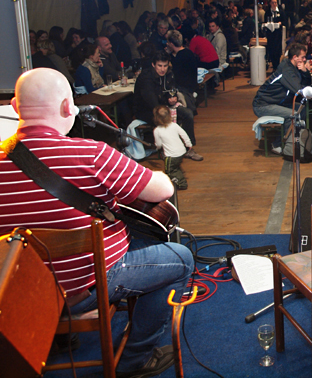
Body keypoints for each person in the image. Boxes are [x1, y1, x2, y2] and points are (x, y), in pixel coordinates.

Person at [0, 68, 194, 378]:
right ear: (68, 108)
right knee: (180, 257)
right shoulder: (90, 154)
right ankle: (136, 359)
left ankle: (61, 336)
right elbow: (163, 190)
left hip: (23, 290)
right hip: (85, 287)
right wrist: (156, 174)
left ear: (14, 107)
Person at [134, 54, 203, 161]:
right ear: (153, 65)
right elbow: (151, 101)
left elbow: (171, 91)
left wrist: (172, 99)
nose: (162, 69)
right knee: (165, 120)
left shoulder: (169, 74)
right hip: (147, 110)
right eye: (159, 66)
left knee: (188, 113)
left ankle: (188, 148)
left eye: (165, 66)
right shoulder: (146, 78)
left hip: (164, 106)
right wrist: (166, 110)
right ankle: (167, 150)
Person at [252, 43, 312, 154]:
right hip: (263, 105)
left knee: (302, 108)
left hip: (277, 102)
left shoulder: (292, 67)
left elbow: (305, 85)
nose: (305, 59)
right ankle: (279, 144)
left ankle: (297, 139)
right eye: (303, 57)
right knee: (294, 115)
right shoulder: (287, 70)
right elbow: (300, 90)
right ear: (295, 58)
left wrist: (305, 72)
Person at [153, 105, 192, 190]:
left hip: (171, 156)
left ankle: (181, 184)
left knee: (170, 171)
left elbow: (158, 144)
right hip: (181, 151)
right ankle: (180, 175)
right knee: (176, 166)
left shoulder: (157, 130)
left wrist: (157, 147)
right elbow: (184, 134)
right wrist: (188, 144)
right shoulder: (174, 125)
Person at [264, 0, 287, 71]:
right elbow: (265, 21)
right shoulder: (267, 12)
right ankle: (274, 65)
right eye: (273, 2)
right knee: (271, 49)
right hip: (270, 34)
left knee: (277, 50)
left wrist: (280, 23)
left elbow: (285, 21)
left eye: (275, 2)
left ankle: (277, 66)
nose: (274, 4)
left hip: (278, 34)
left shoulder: (280, 11)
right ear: (270, 3)